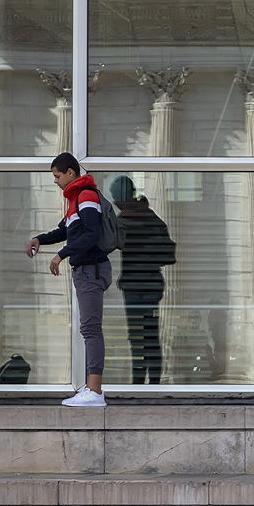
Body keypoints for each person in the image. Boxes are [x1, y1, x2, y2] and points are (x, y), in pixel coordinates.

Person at [26, 152, 112, 407]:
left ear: (70, 173)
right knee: (89, 329)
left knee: (91, 329)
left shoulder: (85, 196)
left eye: (57, 175)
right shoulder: (75, 198)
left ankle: (94, 391)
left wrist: (61, 254)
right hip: (86, 270)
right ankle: (91, 387)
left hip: (91, 269)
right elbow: (64, 230)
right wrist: (39, 239)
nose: (55, 181)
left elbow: (91, 235)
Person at [109, 176, 177, 385]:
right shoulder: (149, 217)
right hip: (147, 284)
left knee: (139, 336)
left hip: (138, 285)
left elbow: (167, 254)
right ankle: (151, 382)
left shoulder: (124, 220)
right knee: (149, 335)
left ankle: (141, 383)